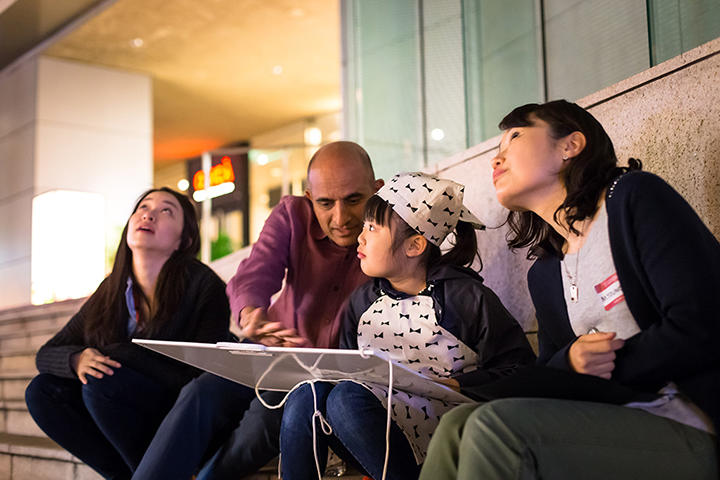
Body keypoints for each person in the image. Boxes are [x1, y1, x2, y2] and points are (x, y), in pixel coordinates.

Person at [420, 100, 720, 480]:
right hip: (604, 423)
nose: (497, 159)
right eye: (495, 150)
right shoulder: (546, 272)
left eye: (514, 136)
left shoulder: (633, 197)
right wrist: (572, 362)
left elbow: (703, 324)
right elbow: (552, 370)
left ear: (570, 145)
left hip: (691, 423)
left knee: (495, 427)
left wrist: (614, 365)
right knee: (457, 424)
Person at [132, 141, 385, 479]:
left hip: (323, 375)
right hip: (267, 350)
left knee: (262, 422)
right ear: (310, 198)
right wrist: (252, 313)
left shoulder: (390, 231)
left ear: (377, 190)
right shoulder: (292, 214)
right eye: (325, 203)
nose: (340, 218)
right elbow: (255, 271)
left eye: (354, 200)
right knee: (199, 394)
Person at [279, 172, 536, 480]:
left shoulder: (465, 297)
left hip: (445, 433)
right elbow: (344, 371)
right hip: (374, 429)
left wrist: (459, 384)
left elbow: (521, 370)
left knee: (347, 399)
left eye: (372, 228)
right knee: (309, 394)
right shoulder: (362, 302)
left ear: (414, 246)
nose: (360, 237)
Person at [24, 187, 230, 480]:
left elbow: (205, 378)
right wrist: (77, 359)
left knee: (102, 382)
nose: (148, 214)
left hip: (180, 414)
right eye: (143, 207)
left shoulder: (204, 287)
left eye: (166, 210)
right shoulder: (113, 289)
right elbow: (47, 353)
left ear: (183, 239)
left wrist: (121, 354)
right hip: (120, 410)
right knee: (43, 391)